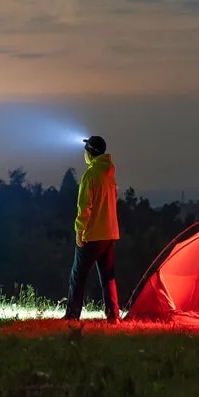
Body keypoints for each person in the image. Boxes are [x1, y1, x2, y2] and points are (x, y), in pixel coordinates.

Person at [63, 135, 121, 323]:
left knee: (78, 276)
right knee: (108, 277)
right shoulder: (109, 176)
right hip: (110, 233)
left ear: (91, 152)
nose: (84, 154)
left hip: (92, 235)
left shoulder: (90, 175)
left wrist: (80, 231)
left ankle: (72, 315)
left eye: (86, 150)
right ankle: (113, 315)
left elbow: (84, 206)